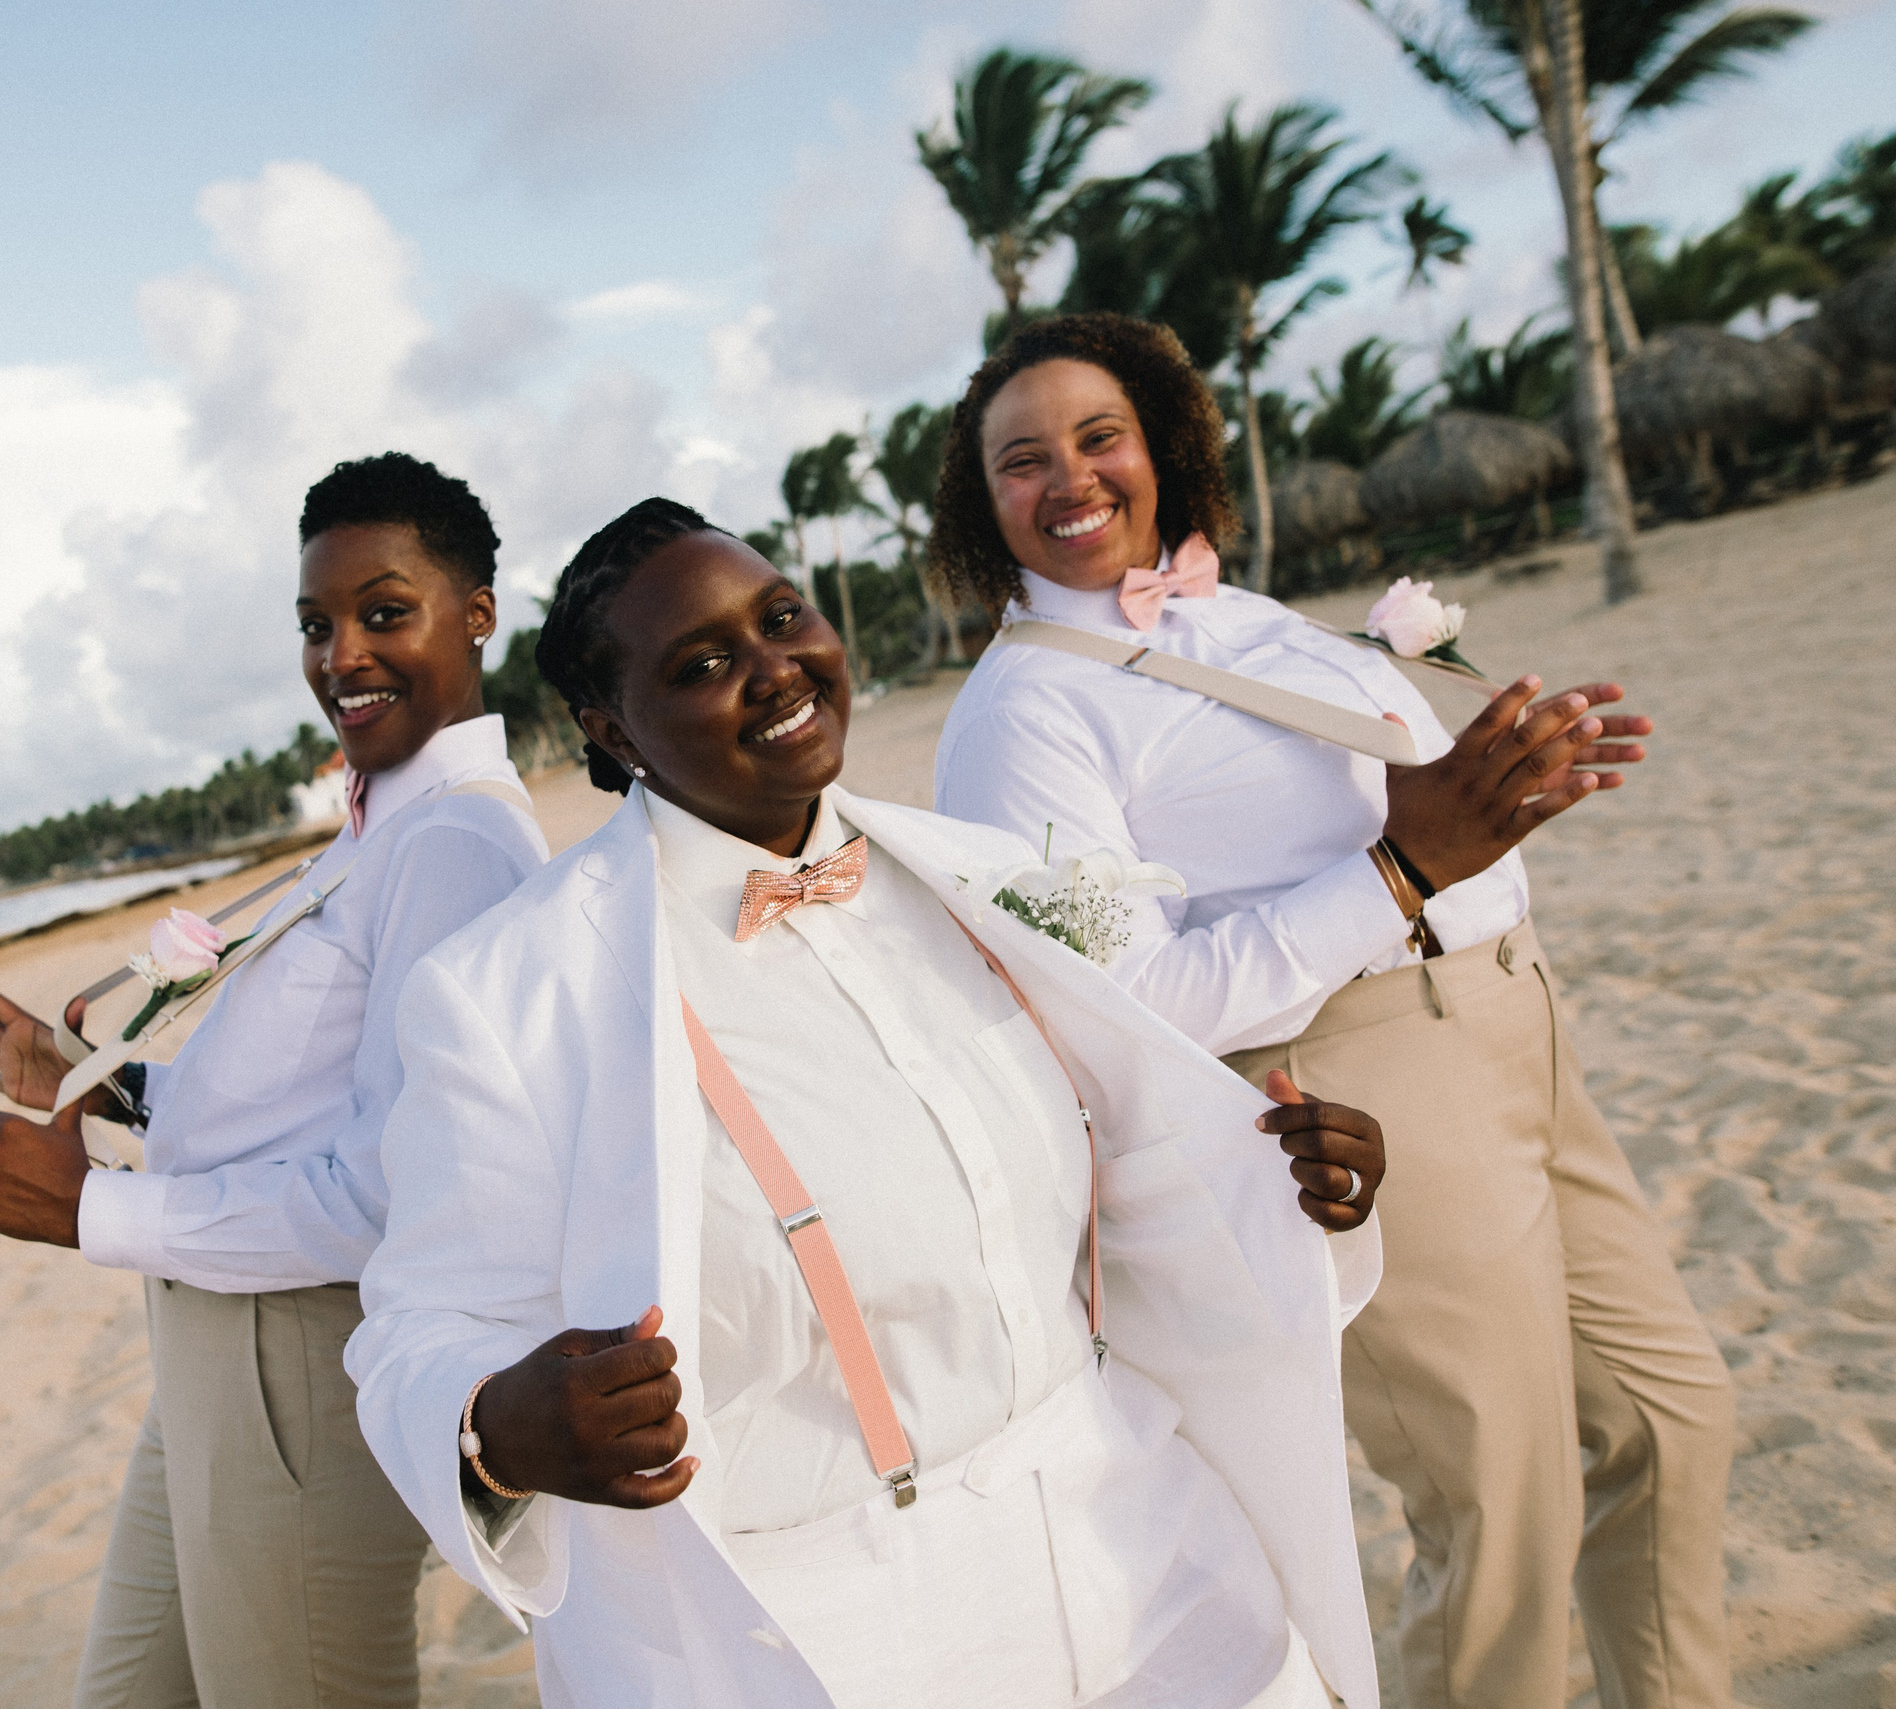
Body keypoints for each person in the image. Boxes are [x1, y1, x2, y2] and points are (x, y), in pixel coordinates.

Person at [347, 497, 1391, 1709]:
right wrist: (499, 1426)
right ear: (610, 730)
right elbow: (413, 1330)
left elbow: (1128, 1164)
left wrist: (1288, 1180)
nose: (773, 668)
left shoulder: (983, 879)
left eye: (781, 617)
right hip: (826, 1632)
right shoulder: (503, 992)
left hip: (1152, 1543)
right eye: (701, 664)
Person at [927, 313, 1735, 1709]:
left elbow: (1383, 801)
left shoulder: (1232, 615)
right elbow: (1122, 1006)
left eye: (1099, 436)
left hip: (1516, 1028)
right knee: (1502, 1512)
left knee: (1669, 1424)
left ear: (1161, 446)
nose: (1070, 476)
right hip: (1359, 1089)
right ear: (980, 502)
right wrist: (1402, 867)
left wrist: (1506, 779)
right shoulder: (1023, 715)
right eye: (1022, 459)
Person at [0, 452, 549, 1709]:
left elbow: (394, 1184)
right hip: (210, 1342)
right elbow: (310, 1088)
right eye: (316, 625)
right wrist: (109, 1087)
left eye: (385, 611)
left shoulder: (459, 843)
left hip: (298, 1364)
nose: (341, 655)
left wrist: (91, 1208)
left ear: (476, 610)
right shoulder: (376, 825)